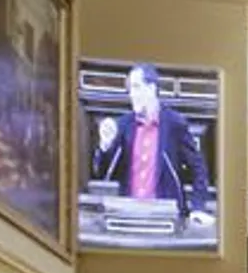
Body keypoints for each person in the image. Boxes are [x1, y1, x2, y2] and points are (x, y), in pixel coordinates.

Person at [89, 63, 214, 226]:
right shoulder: (123, 125)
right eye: (130, 89)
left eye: (136, 87)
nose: (132, 94)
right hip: (126, 216)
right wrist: (104, 146)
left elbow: (198, 168)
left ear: (152, 88)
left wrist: (198, 207)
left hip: (166, 217)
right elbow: (101, 173)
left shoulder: (174, 124)